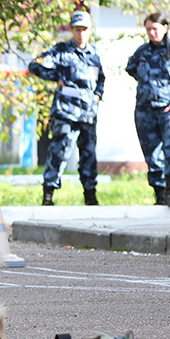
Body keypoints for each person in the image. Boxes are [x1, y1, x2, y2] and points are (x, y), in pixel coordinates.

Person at [29, 11, 105, 206]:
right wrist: (56, 77)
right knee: (60, 152)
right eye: (77, 29)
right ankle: (48, 195)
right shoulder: (61, 51)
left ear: (90, 31)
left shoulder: (94, 55)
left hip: (88, 113)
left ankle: (90, 196)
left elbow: (101, 79)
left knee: (88, 155)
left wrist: (97, 96)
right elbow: (35, 65)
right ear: (71, 30)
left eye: (84, 30)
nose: (81, 34)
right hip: (65, 111)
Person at [126, 11, 170, 206]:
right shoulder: (142, 52)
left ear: (165, 28)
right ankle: (160, 195)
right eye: (148, 29)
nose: (151, 33)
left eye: (155, 29)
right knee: (151, 154)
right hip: (145, 111)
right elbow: (131, 68)